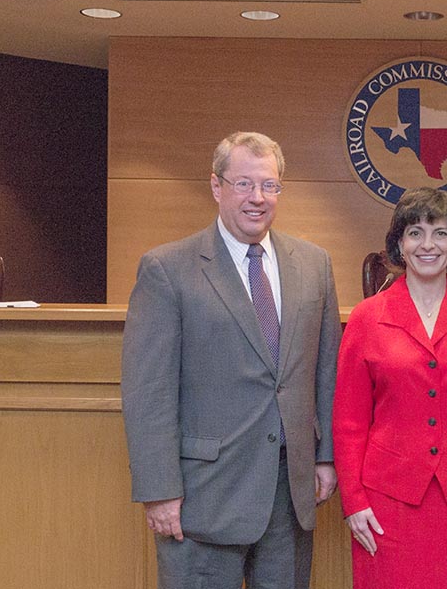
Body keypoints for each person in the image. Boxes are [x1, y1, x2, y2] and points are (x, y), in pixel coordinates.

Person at [120, 131, 342, 589]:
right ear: (217, 186)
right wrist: (160, 491)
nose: (257, 198)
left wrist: (325, 458)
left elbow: (325, 373)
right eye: (243, 184)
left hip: (288, 497)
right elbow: (149, 392)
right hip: (202, 500)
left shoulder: (314, 264)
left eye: (269, 185)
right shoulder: (168, 268)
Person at [333, 187, 447, 589]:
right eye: (415, 233)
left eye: (440, 233)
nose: (428, 245)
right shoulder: (368, 318)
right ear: (399, 243)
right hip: (386, 501)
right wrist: (353, 500)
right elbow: (349, 420)